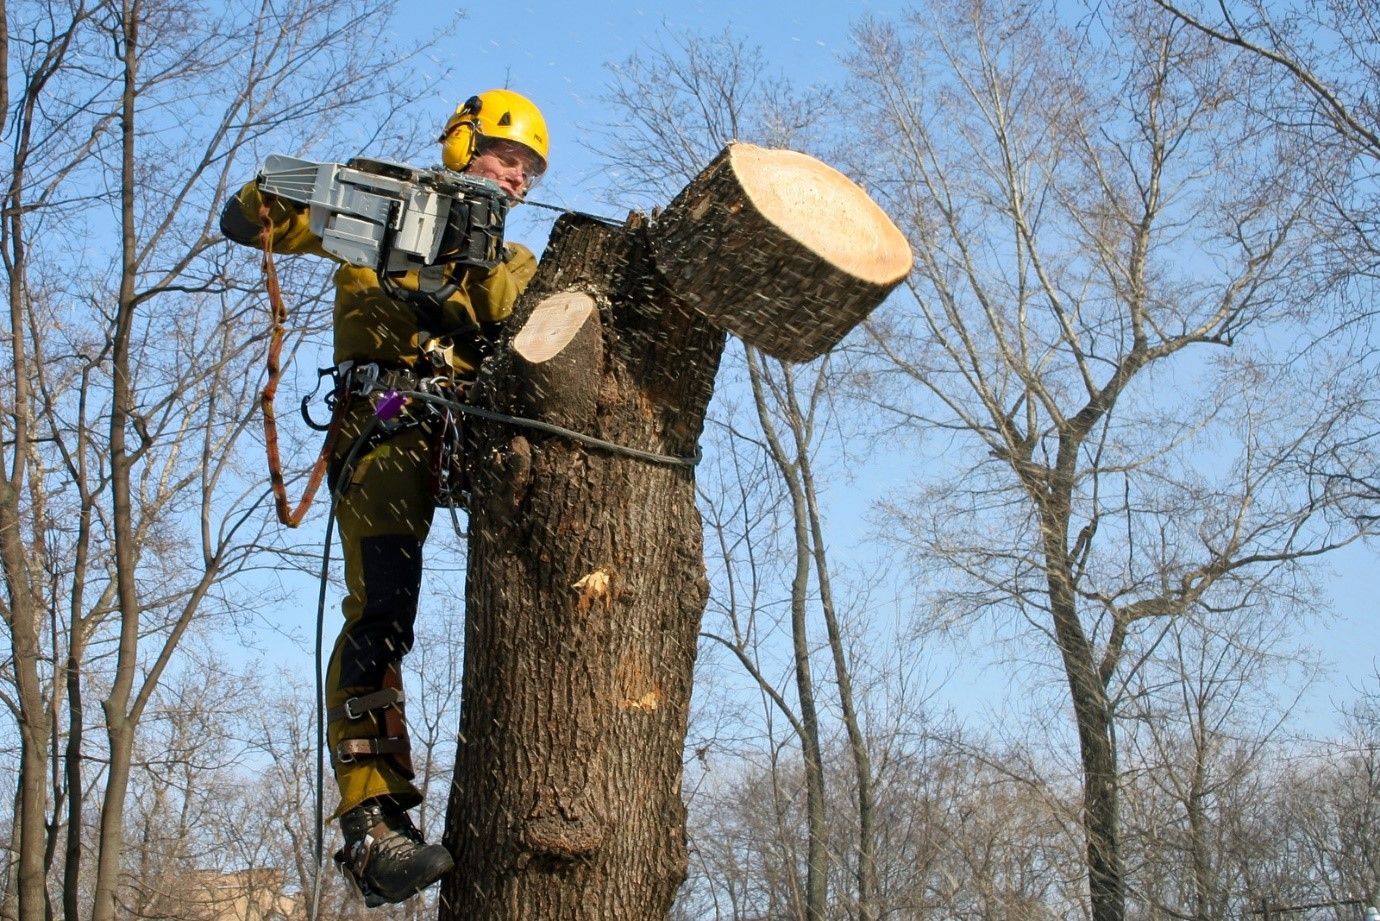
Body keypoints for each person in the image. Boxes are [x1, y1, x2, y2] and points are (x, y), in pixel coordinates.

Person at [219, 89, 549, 906]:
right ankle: (373, 826)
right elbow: (246, 218)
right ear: (463, 143)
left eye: (530, 171)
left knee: (551, 571)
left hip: (478, 431)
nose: (518, 178)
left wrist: (464, 274)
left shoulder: (513, 264)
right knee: (383, 609)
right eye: (508, 158)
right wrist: (344, 196)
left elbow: (528, 333)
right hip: (390, 423)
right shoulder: (378, 223)